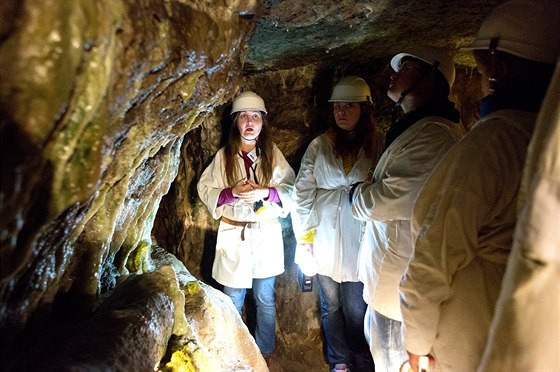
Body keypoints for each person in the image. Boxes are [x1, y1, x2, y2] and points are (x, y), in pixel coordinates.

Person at [398, 1, 559, 371]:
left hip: (470, 334)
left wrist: (417, 343)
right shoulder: (545, 138)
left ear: (498, 66)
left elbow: (434, 256)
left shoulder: (494, 140)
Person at [350, 47, 464, 372]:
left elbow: (387, 200)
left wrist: (355, 196)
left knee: (391, 360)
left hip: (399, 290)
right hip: (390, 282)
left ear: (433, 77)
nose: (394, 72)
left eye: (407, 67)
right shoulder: (420, 128)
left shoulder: (435, 138)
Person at [197, 91, 295, 363]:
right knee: (233, 298)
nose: (249, 121)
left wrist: (265, 193)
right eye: (243, 116)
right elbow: (205, 188)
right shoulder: (224, 156)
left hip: (265, 234)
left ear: (263, 122)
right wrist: (231, 193)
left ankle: (264, 351)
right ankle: (233, 352)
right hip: (234, 234)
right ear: (236, 122)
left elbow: (290, 188)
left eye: (255, 116)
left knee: (264, 297)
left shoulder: (272, 155)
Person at [292, 76, 377, 372]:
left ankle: (361, 353)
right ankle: (339, 359)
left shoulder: (377, 146)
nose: (341, 112)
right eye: (337, 106)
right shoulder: (320, 145)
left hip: (360, 237)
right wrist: (305, 237)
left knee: (357, 306)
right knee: (330, 305)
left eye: (349, 106)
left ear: (364, 109)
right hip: (324, 237)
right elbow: (302, 193)